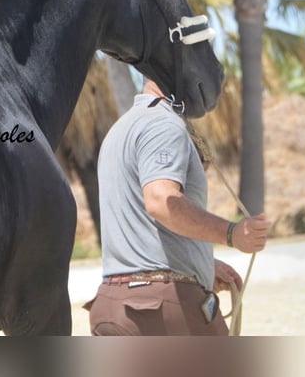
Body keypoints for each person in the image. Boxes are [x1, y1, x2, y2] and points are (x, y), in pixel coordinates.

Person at [86, 77, 271, 336]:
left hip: (111, 307)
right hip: (160, 309)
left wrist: (203, 265)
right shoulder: (163, 124)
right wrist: (232, 234)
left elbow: (140, 230)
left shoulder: (119, 130)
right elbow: (161, 202)